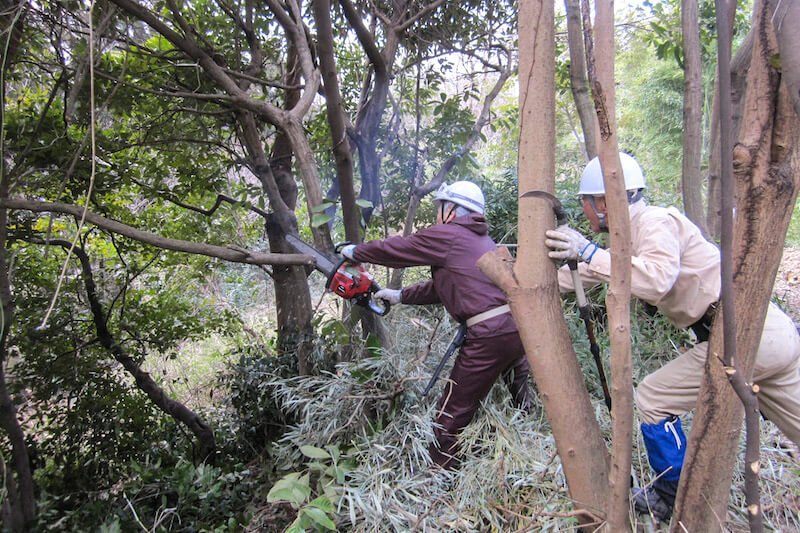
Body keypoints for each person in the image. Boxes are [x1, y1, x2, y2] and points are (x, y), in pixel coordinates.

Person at [544, 152, 800, 522]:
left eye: (584, 202)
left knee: (652, 397)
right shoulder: (629, 235)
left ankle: (671, 492)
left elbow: (654, 279)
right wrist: (528, 282)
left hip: (743, 336)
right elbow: (587, 273)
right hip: (767, 335)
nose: (583, 211)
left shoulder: (654, 221)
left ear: (603, 201)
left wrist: (586, 250)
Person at [340, 181, 533, 470]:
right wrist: (401, 295)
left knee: (453, 410)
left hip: (489, 335)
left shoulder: (452, 234)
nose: (438, 215)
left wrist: (357, 251)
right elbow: (444, 285)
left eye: (440, 208)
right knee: (517, 393)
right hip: (515, 329)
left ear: (452, 210)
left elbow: (401, 248)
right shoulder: (481, 240)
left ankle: (437, 477)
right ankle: (528, 442)